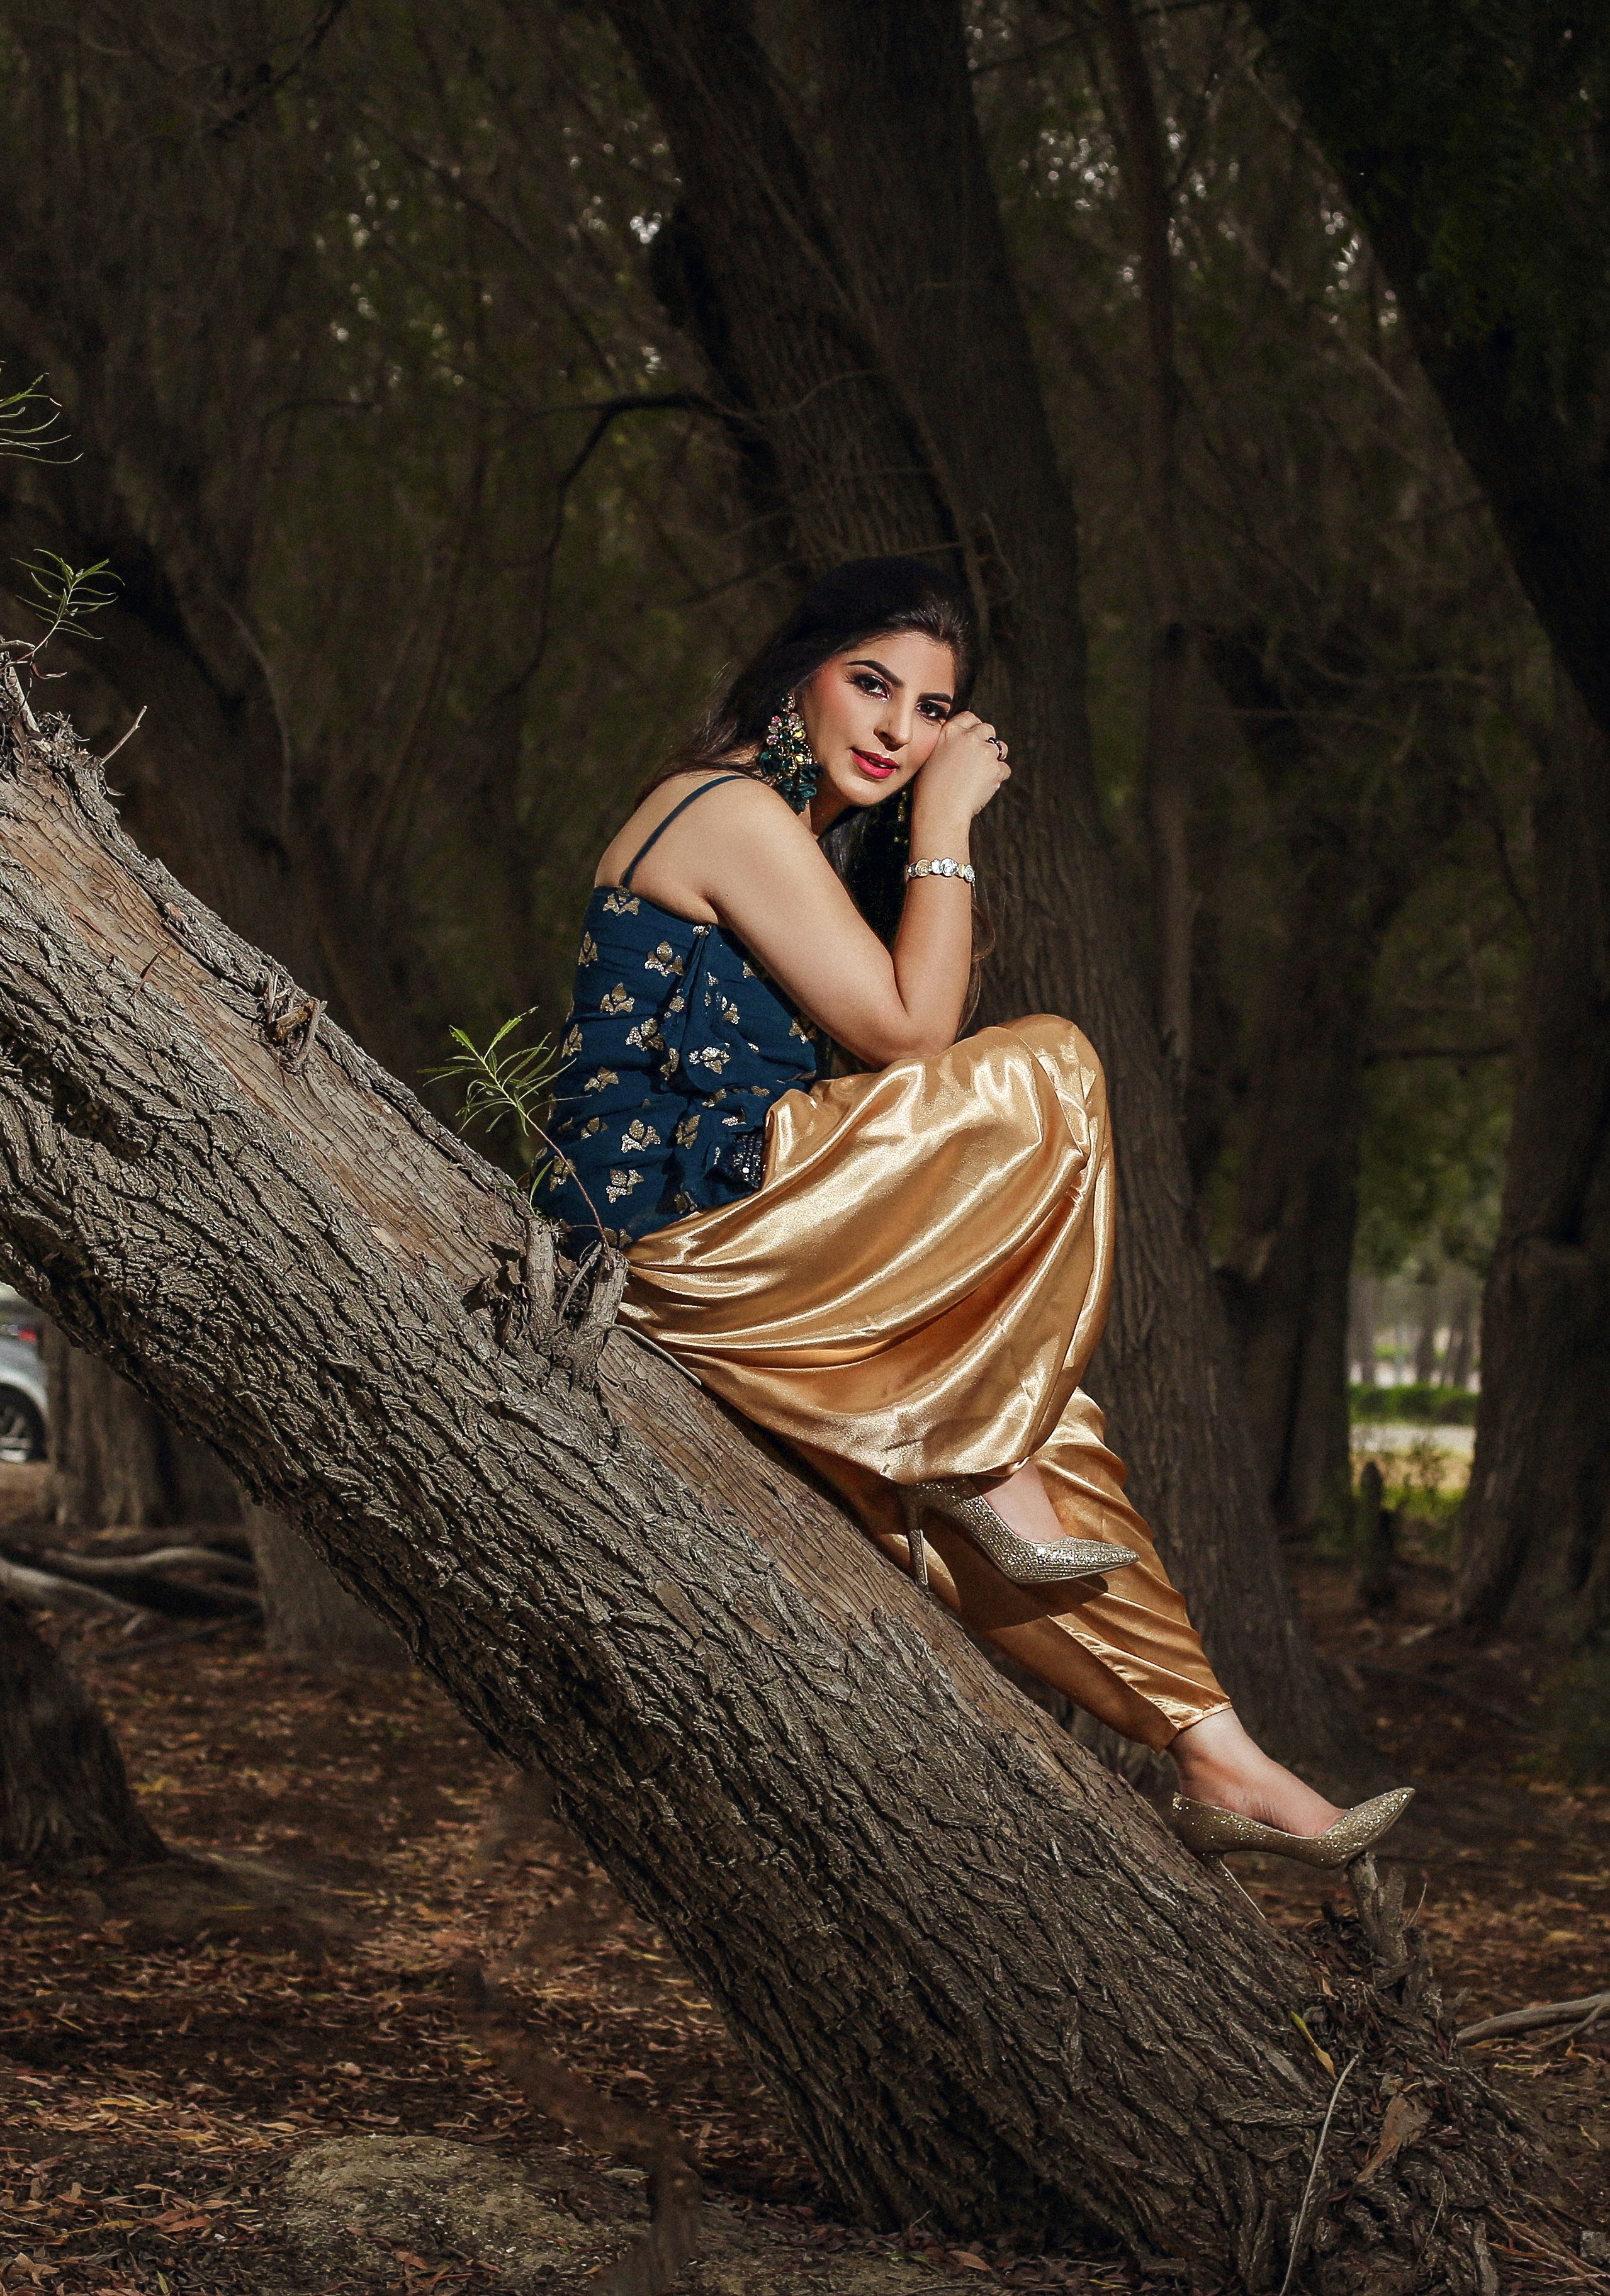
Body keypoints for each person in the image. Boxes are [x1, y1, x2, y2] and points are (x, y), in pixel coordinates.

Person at [535, 558, 1405, 1866]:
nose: (899, 730)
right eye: (872, 684)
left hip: (735, 1226)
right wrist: (946, 820)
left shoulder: (802, 840)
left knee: (1060, 1437)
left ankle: (1221, 1759)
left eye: (933, 710)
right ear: (799, 675)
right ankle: (978, 1449)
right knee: (1047, 1069)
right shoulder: (725, 808)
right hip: (667, 1229)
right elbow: (912, 1033)